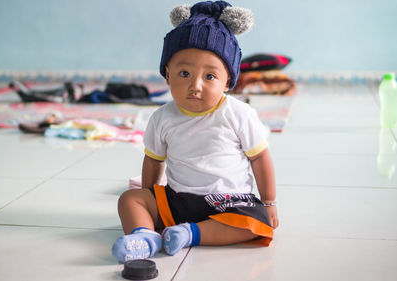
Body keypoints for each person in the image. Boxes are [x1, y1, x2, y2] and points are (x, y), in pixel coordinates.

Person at [112, 1, 279, 263]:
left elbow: (259, 158)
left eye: (209, 76)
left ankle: (191, 234)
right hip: (179, 200)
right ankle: (145, 236)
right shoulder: (162, 117)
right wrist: (152, 200)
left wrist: (268, 202)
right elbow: (154, 160)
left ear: (228, 82)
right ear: (167, 76)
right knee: (130, 200)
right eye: (184, 73)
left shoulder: (238, 114)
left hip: (229, 201)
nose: (195, 85)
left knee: (255, 223)